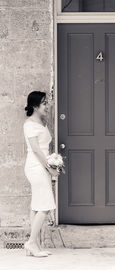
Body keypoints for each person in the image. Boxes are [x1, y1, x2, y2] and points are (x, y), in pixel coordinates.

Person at [23, 91, 59, 257]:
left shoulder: (42, 122)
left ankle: (35, 245)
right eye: (44, 103)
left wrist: (53, 162)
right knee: (45, 205)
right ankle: (31, 242)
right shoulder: (29, 124)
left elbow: (44, 148)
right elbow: (37, 150)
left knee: (36, 205)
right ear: (34, 106)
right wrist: (49, 168)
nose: (47, 106)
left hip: (41, 165)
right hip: (36, 166)